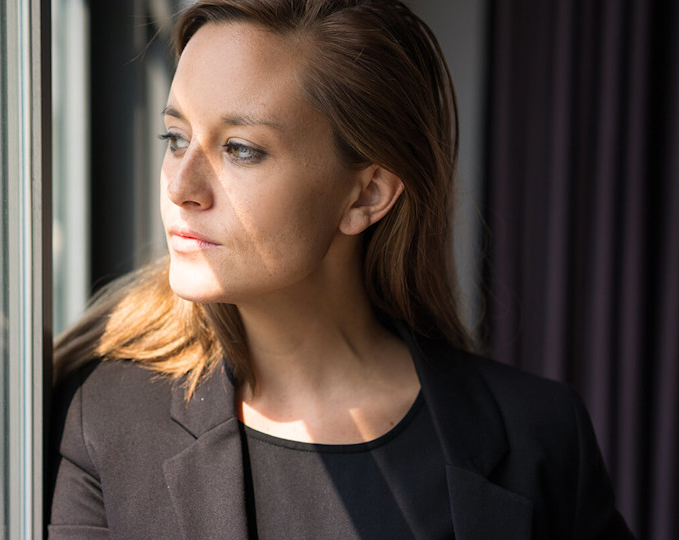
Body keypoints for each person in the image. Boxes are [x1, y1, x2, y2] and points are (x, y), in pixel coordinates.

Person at [49, 0, 634, 538]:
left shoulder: (540, 436)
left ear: (367, 196)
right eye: (175, 138)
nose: (181, 186)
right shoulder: (103, 418)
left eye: (240, 149)